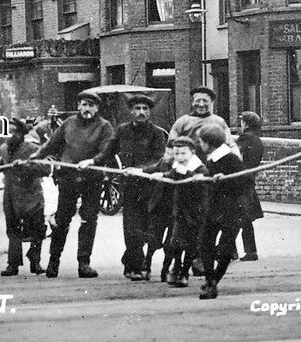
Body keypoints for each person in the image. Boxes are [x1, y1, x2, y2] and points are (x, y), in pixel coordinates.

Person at [33, 90, 114, 278]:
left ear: (97, 108)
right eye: (84, 104)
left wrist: (93, 161)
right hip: (68, 177)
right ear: (78, 106)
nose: (87, 109)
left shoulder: (104, 126)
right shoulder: (68, 124)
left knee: (88, 220)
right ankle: (54, 262)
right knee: (61, 220)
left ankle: (84, 263)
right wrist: (37, 155)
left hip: (91, 178)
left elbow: (107, 150)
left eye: (91, 105)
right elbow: (52, 144)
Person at [108, 94, 168, 280]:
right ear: (131, 111)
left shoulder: (157, 133)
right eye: (137, 109)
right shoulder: (122, 131)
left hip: (151, 188)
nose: (141, 112)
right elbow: (108, 151)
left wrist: (140, 170)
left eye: (145, 109)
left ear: (149, 112)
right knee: (131, 227)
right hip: (130, 187)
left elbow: (159, 159)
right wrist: (91, 161)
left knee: (149, 228)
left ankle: (134, 261)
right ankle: (133, 265)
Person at [196, 124, 248, 300]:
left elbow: (244, 183)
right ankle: (211, 281)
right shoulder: (211, 160)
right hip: (215, 210)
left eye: (201, 141)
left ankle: (212, 282)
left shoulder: (232, 159)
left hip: (231, 210)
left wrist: (223, 181)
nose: (199, 144)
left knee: (224, 249)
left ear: (208, 144)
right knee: (206, 244)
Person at [0, 119, 45, 277]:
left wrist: (25, 165)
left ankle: (35, 261)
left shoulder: (33, 149)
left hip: (31, 196)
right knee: (12, 229)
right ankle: (13, 264)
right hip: (10, 196)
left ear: (20, 134)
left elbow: (45, 168)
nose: (7, 136)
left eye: (11, 132)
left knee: (38, 230)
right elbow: (0, 164)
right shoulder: (3, 149)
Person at [157, 136, 207, 288]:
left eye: (183, 154)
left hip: (195, 212)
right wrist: (152, 173)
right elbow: (169, 174)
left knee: (192, 244)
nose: (179, 157)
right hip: (179, 211)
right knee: (176, 243)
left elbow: (202, 182)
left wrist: (191, 176)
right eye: (176, 154)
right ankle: (176, 268)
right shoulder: (177, 166)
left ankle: (184, 272)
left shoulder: (199, 168)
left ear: (192, 152)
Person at [236, 111, 265, 261]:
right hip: (248, 183)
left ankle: (230, 251)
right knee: (244, 220)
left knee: (232, 218)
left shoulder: (245, 138)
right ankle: (250, 251)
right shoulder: (258, 140)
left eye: (241, 121)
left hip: (238, 184)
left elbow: (235, 157)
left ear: (246, 124)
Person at [169, 87, 231, 155]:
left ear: (212, 102)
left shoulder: (219, 121)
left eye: (205, 101)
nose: (201, 104)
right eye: (198, 101)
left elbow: (228, 143)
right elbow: (171, 143)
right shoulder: (182, 121)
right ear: (192, 102)